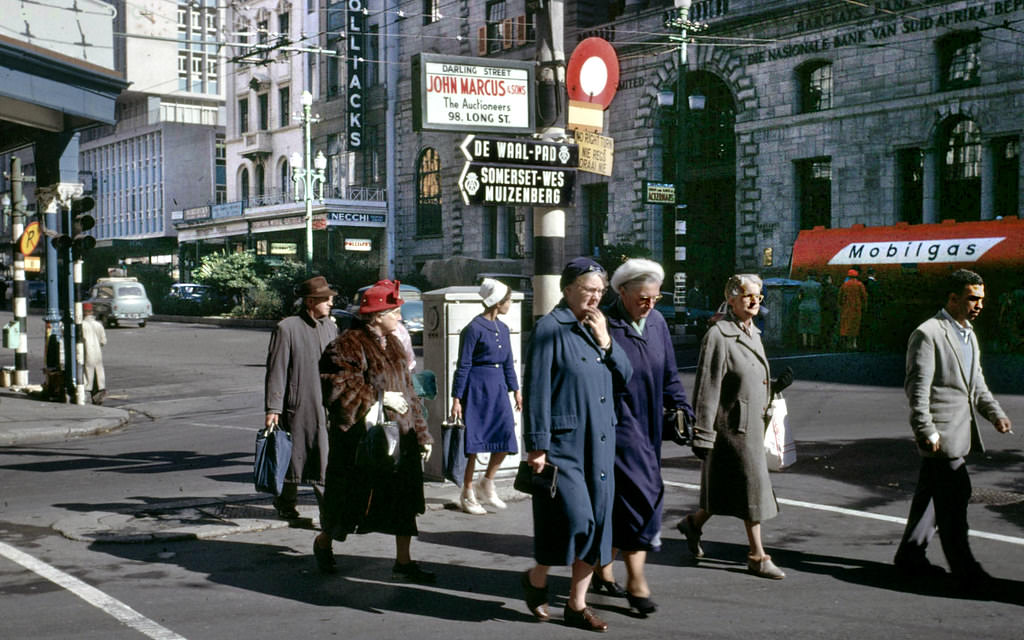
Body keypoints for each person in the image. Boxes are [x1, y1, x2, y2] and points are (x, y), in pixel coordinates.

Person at [520, 257, 632, 631]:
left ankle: (575, 604)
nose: (596, 298)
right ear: (567, 289)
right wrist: (536, 445)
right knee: (576, 520)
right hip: (564, 445)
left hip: (600, 440)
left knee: (599, 524)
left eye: (601, 291)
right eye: (589, 290)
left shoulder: (598, 326)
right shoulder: (550, 328)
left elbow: (626, 376)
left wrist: (607, 341)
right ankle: (537, 576)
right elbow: (536, 390)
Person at [895, 269, 1012, 592]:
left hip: (960, 432)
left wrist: (996, 414)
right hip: (941, 435)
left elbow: (976, 384)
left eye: (981, 299)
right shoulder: (929, 333)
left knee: (931, 497)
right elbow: (917, 389)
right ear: (953, 298)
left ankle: (910, 556)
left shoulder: (968, 334)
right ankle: (965, 568)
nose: (979, 305)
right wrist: (925, 428)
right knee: (955, 499)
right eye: (973, 298)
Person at [592, 258, 694, 615]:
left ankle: (603, 569)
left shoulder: (658, 322)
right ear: (622, 293)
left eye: (656, 297)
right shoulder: (604, 323)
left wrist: (682, 407)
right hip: (616, 425)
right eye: (643, 298)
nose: (650, 304)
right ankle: (637, 583)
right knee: (644, 493)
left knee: (619, 502)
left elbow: (669, 372)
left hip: (649, 422)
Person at [318, 280, 435, 582]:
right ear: (376, 315)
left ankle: (404, 561)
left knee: (403, 501)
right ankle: (324, 542)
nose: (400, 315)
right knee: (348, 502)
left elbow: (410, 393)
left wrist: (422, 434)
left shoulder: (394, 343)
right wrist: (378, 398)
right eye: (394, 311)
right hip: (361, 443)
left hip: (400, 438)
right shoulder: (346, 345)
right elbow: (336, 389)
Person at [677, 274, 793, 580]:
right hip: (732, 429)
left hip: (753, 423)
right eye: (747, 296)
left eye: (759, 297)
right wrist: (702, 434)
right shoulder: (718, 335)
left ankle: (693, 524)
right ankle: (757, 555)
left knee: (728, 488)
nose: (755, 302)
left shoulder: (753, 332)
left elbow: (750, 377)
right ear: (731, 299)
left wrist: (774, 387)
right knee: (751, 490)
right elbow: (707, 387)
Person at [264, 276, 339, 521]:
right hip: (298, 406)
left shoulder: (331, 326)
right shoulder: (287, 328)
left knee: (321, 455)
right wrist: (273, 407)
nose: (330, 302)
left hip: (326, 403)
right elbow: (277, 370)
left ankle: (324, 511)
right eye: (325, 299)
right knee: (293, 456)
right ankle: (294, 504)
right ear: (309, 302)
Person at [449, 278, 522, 515]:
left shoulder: (502, 328)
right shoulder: (473, 328)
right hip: (477, 388)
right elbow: (463, 365)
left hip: (498, 386)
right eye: (508, 300)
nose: (509, 304)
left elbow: (509, 362)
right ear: (497, 302)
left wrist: (516, 390)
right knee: (474, 442)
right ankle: (467, 492)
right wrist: (457, 398)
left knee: (505, 436)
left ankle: (487, 482)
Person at [80, 302, 107, 405]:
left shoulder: (81, 325)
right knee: (99, 373)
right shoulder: (98, 325)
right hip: (97, 353)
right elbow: (103, 341)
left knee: (87, 374)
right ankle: (100, 392)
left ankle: (87, 393)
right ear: (92, 312)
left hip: (86, 353)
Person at [838, 268, 867, 351]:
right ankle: (854, 344)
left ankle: (847, 344)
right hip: (857, 309)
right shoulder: (859, 284)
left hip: (846, 308)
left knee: (846, 326)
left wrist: (841, 305)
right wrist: (864, 307)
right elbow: (864, 297)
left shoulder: (845, 285)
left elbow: (840, 297)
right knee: (855, 326)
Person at [797, 272, 822, 349]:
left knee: (804, 325)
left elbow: (799, 296)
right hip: (815, 306)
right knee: (813, 325)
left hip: (803, 306)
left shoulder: (802, 285)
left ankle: (804, 343)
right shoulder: (818, 285)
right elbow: (820, 296)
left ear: (807, 276)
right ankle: (812, 344)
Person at [820, 273, 840, 350]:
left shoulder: (822, 288)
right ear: (828, 279)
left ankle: (824, 344)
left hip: (824, 310)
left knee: (824, 327)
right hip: (832, 310)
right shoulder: (834, 289)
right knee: (832, 327)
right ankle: (831, 344)